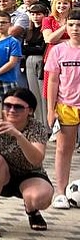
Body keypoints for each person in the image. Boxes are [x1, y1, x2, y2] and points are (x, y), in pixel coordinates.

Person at [0, 87, 51, 237]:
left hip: (28, 174)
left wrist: (18, 135)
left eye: (18, 107)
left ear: (30, 111)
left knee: (41, 197)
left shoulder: (36, 127)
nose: (11, 110)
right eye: (7, 105)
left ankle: (31, 209)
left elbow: (36, 160)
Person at [45, 11, 80, 210]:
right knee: (63, 149)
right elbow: (53, 80)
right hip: (66, 105)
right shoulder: (58, 50)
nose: (75, 29)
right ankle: (61, 192)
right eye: (72, 24)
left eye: (79, 25)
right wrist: (51, 109)